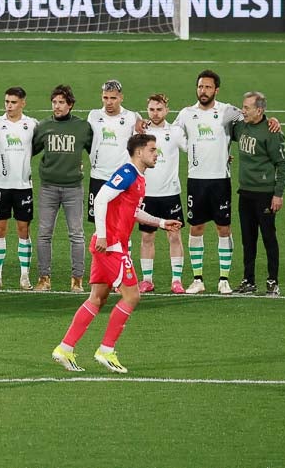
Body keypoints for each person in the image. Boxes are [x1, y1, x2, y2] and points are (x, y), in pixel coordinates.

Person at [51, 133, 183, 374]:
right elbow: (100, 199)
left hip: (107, 245)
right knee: (132, 297)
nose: (157, 154)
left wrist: (162, 223)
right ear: (139, 152)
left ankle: (65, 348)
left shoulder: (139, 178)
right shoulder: (128, 173)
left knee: (97, 298)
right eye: (153, 150)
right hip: (111, 246)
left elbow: (132, 212)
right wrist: (102, 234)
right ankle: (106, 350)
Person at [177, 69, 278, 294]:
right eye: (200, 86)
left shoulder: (228, 111)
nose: (203, 91)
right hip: (196, 179)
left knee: (224, 228)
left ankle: (224, 279)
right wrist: (190, 151)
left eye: (208, 87)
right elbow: (173, 134)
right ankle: (197, 279)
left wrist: (272, 120)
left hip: (221, 180)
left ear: (216, 90)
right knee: (196, 228)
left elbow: (254, 119)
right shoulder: (186, 113)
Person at [32, 84, 94, 292]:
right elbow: (29, 150)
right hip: (48, 187)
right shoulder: (43, 126)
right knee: (43, 234)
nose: (57, 106)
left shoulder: (82, 127)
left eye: (61, 103)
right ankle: (44, 278)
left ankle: (77, 280)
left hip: (73, 189)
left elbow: (95, 150)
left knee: (76, 234)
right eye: (54, 102)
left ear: (70, 105)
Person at [232, 91, 285, 296]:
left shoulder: (271, 132)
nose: (242, 111)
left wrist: (278, 194)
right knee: (248, 238)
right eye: (243, 106)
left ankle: (273, 281)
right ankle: (249, 281)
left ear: (260, 110)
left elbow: (282, 164)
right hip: (245, 192)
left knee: (268, 238)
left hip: (265, 194)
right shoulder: (241, 127)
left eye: (247, 108)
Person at [0, 86, 38, 291]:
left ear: (22, 103)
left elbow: (41, 144)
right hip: (1, 184)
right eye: (7, 102)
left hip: (23, 185)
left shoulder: (32, 124)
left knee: (23, 230)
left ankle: (24, 275)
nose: (9, 106)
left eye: (13, 102)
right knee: (0, 229)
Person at [139, 93, 188, 294]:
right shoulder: (140, 134)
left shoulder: (175, 132)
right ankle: (147, 280)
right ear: (147, 110)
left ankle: (176, 281)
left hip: (170, 194)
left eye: (159, 109)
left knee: (174, 236)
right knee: (147, 238)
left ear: (167, 110)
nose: (155, 113)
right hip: (147, 195)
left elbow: (192, 149)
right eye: (151, 109)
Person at [86, 80, 141, 226]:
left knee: (122, 224)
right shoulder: (93, 116)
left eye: (113, 98)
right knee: (99, 225)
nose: (108, 102)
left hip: (122, 177)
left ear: (121, 97)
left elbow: (139, 147)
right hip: (98, 176)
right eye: (105, 98)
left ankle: (124, 250)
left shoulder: (132, 117)